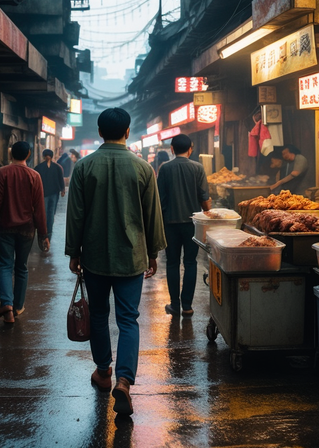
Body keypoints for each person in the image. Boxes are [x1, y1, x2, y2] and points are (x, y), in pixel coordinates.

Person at [65, 107, 166, 416]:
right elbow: (152, 215)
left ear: (99, 132)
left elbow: (76, 215)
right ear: (127, 132)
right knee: (128, 319)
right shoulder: (143, 168)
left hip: (95, 257)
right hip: (132, 256)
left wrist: (74, 252)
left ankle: (104, 371)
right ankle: (125, 379)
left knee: (98, 315)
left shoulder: (84, 167)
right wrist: (153, 252)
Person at [0, 141, 50, 324]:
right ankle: (18, 305)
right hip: (27, 230)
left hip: (6, 227)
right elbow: (39, 208)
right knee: (21, 267)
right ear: (28, 154)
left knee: (5, 266)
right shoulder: (35, 175)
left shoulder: (2, 172)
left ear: (11, 154)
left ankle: (7, 305)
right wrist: (43, 234)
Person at [157, 134, 211, 317]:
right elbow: (205, 200)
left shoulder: (164, 169)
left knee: (172, 263)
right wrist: (209, 212)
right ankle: (187, 306)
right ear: (191, 148)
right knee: (190, 263)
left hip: (170, 224)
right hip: (191, 224)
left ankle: (174, 305)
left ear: (171, 149)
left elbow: (159, 199)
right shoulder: (198, 168)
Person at [34, 149, 65, 241]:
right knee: (51, 214)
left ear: (43, 156)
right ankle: (49, 233)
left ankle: (43, 233)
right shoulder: (57, 167)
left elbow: (35, 181)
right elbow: (61, 179)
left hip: (43, 194)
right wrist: (62, 190)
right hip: (54, 194)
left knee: (43, 214)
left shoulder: (38, 167)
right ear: (52, 156)